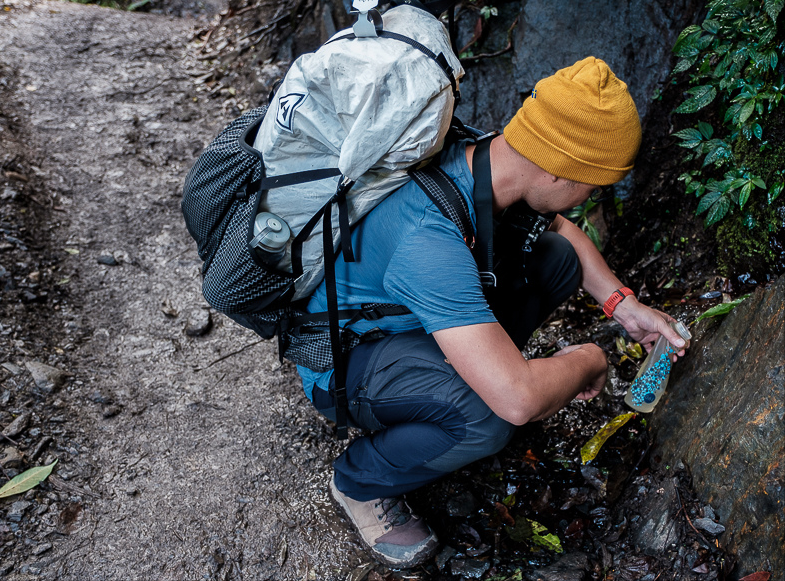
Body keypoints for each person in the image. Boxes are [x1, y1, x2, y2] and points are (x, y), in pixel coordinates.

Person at [296, 56, 688, 568]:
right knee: (488, 415)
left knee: (558, 260)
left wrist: (625, 307)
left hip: (413, 317)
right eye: (592, 183)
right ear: (554, 167)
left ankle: (479, 368)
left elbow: (561, 230)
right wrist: (589, 360)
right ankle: (360, 480)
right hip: (348, 359)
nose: (592, 197)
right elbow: (520, 402)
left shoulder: (485, 157)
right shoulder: (428, 238)